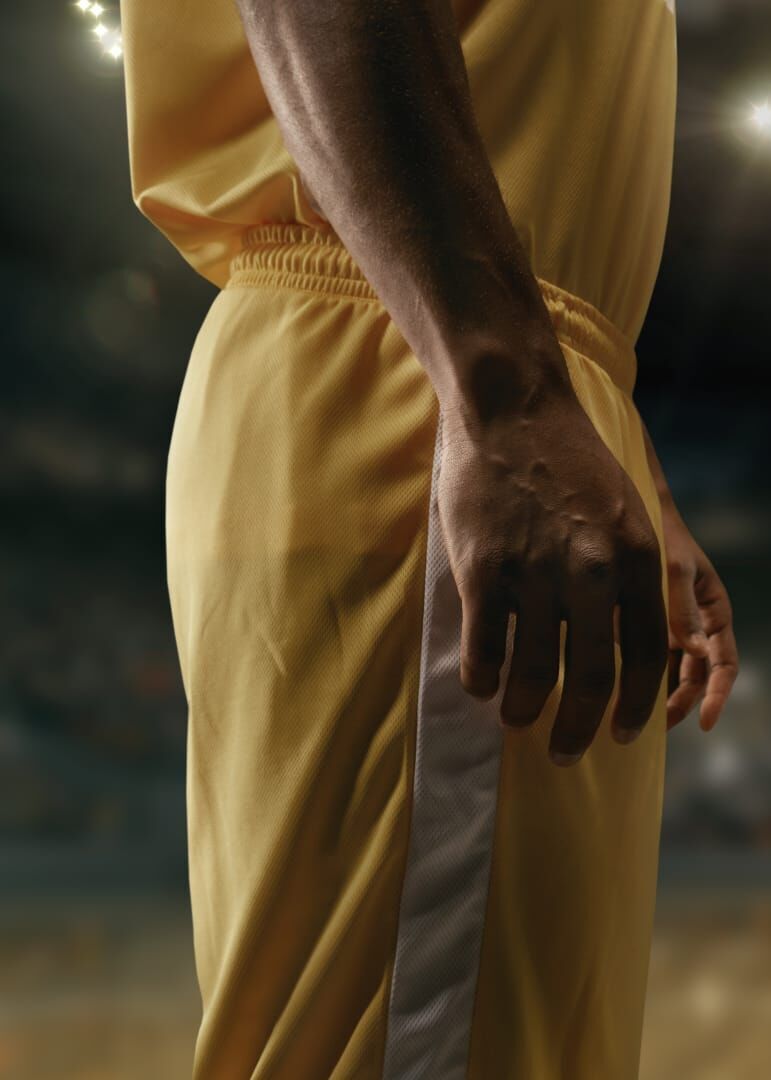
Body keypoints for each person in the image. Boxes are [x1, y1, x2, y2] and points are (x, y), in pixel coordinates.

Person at [121, 1, 737, 1075]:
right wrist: (505, 394)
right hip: (418, 354)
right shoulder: (473, 367)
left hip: (456, 348)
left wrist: (613, 448)